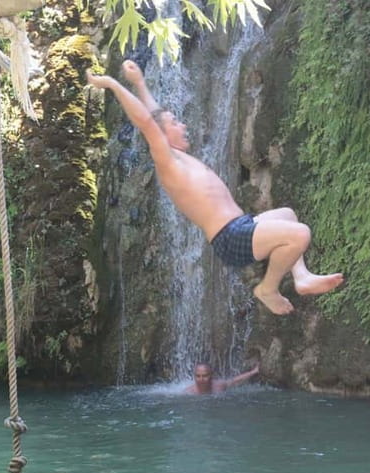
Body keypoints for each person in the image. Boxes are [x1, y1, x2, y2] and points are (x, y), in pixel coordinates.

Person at [86, 61, 344, 315]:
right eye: (176, 123)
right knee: (299, 234)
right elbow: (147, 123)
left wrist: (140, 83)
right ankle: (268, 288)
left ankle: (301, 276)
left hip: (241, 225)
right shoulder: (168, 163)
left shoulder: (178, 157)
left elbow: (155, 116)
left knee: (288, 215)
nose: (183, 125)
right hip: (229, 237)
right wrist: (111, 84)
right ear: (161, 136)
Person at [184, 363, 259, 395]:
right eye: (198, 376)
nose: (201, 379)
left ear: (211, 376)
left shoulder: (218, 386)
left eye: (205, 376)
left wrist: (253, 372)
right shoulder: (188, 392)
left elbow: (235, 381)